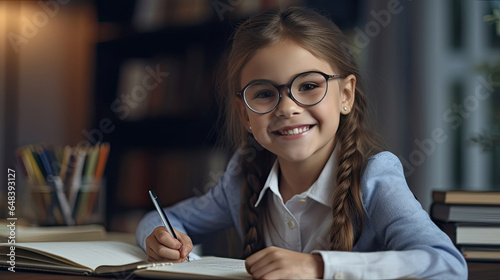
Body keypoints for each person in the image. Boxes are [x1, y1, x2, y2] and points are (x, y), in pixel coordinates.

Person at [136, 6, 467, 279]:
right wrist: (160, 239)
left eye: (309, 86)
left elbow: (447, 265)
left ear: (346, 95)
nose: (288, 107)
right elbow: (160, 219)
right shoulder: (242, 173)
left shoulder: (375, 177)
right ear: (245, 113)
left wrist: (319, 266)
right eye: (265, 94)